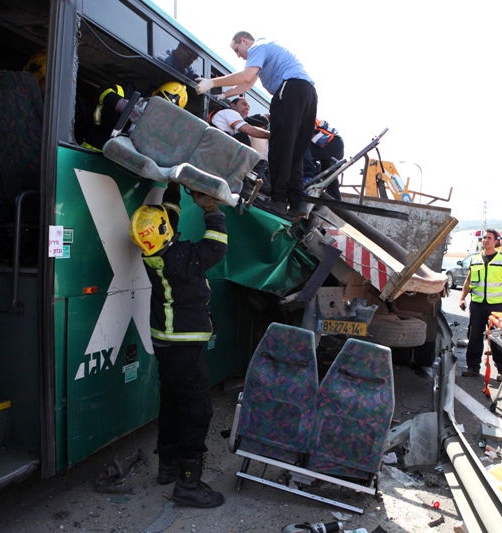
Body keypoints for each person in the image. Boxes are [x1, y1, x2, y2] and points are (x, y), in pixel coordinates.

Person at [129, 183, 228, 508]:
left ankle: (167, 466)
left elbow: (167, 216)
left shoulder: (153, 253)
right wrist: (211, 208)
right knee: (196, 410)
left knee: (171, 403)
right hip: (185, 344)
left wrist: (173, 184)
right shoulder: (184, 258)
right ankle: (189, 484)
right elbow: (216, 247)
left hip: (165, 342)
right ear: (165, 233)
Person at [195, 31, 317, 217]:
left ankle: (278, 201)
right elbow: (247, 84)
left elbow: (245, 76)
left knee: (279, 148)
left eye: (237, 49)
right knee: (295, 151)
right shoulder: (272, 50)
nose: (239, 55)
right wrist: (225, 95)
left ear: (244, 41)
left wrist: (212, 82)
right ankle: (297, 202)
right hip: (308, 94)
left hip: (289, 91)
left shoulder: (258, 47)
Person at [459, 229, 502, 378]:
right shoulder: (475, 259)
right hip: (477, 305)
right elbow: (468, 281)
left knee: (496, 339)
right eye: (484, 238)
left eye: (489, 238)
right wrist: (462, 297)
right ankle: (473, 367)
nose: (485, 240)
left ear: (495, 241)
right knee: (474, 336)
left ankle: (501, 370)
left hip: (496, 307)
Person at [305, 119, 345, 200]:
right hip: (334, 144)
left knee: (301, 150)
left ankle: (307, 179)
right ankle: (336, 200)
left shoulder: (297, 116)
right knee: (327, 171)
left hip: (329, 142)